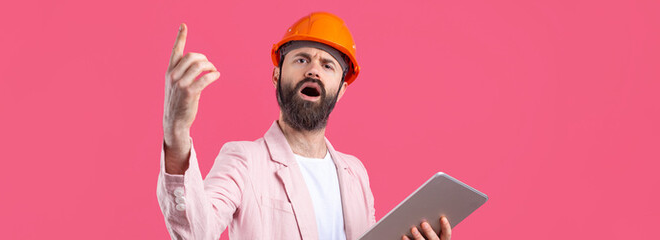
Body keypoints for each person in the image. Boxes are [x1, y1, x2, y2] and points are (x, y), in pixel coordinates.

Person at [156, 12, 452, 240]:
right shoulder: (244, 160)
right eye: (301, 59)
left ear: (341, 89)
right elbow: (193, 233)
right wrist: (177, 131)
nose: (313, 69)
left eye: (328, 65)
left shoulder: (355, 174)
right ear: (276, 75)